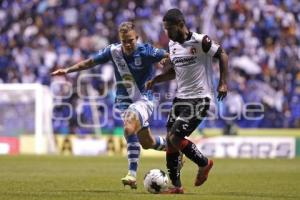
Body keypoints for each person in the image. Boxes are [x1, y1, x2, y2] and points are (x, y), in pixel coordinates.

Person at [51, 21, 169, 189]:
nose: (127, 44)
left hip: (144, 99)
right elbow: (90, 62)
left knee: (129, 129)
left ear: (137, 37)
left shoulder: (147, 51)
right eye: (124, 41)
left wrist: (165, 59)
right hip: (123, 102)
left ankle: (132, 174)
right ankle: (175, 147)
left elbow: (169, 55)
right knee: (147, 142)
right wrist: (68, 70)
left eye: (130, 40)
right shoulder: (113, 51)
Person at [146, 8, 228, 194]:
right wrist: (156, 80)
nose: (166, 33)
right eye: (165, 29)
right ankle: (177, 187)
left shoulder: (200, 41)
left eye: (169, 29)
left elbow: (223, 54)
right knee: (169, 140)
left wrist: (223, 82)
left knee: (176, 137)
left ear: (180, 25)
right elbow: (176, 71)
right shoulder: (172, 46)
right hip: (181, 98)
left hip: (200, 98)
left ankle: (205, 163)